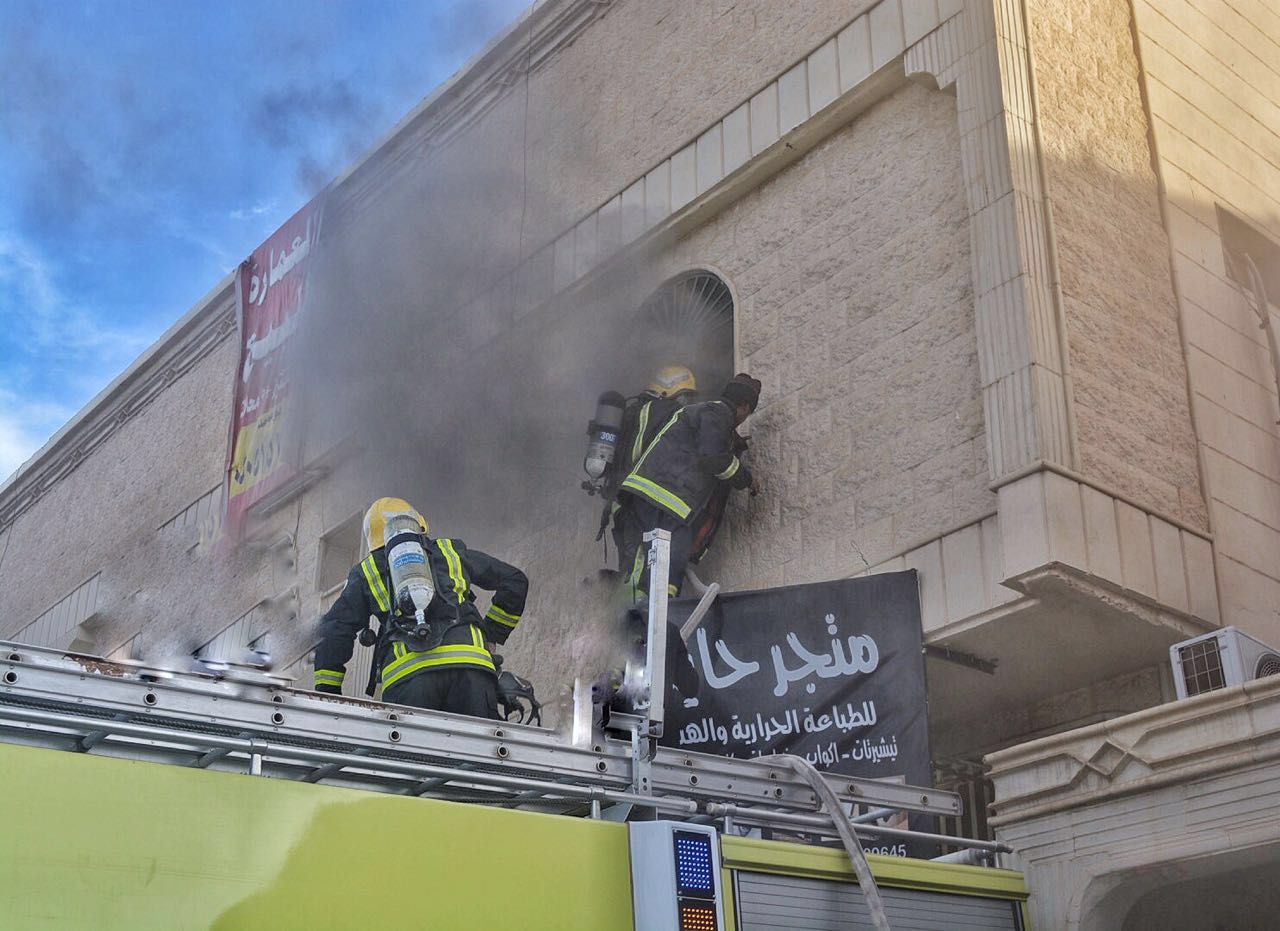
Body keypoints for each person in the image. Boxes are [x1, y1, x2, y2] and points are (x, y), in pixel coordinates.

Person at [312, 497, 527, 719]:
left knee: (415, 742)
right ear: (419, 524)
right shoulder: (451, 551)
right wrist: (491, 635)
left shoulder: (367, 571)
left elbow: (334, 629)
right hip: (470, 669)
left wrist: (328, 692)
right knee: (476, 740)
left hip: (408, 677)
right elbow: (515, 581)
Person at [616, 373, 762, 602]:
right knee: (663, 556)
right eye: (747, 413)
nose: (743, 419)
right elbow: (714, 459)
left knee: (662, 558)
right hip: (664, 498)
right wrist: (747, 479)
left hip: (656, 497)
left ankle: (654, 608)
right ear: (744, 407)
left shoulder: (704, 413)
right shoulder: (716, 413)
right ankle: (645, 610)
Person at [602, 365, 700, 559]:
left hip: (623, 500)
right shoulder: (661, 411)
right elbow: (641, 455)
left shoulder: (635, 412)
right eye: (683, 396)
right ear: (665, 391)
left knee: (636, 559)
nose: (686, 403)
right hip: (640, 499)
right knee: (642, 562)